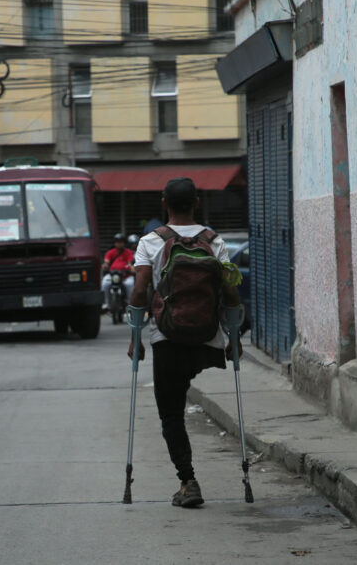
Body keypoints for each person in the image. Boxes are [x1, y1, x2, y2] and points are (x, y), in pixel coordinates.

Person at [129, 177, 242, 508]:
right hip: (207, 336)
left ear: (164, 202)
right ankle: (188, 481)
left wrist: (135, 339)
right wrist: (233, 338)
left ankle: (188, 481)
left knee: (171, 413)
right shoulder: (213, 240)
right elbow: (230, 292)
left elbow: (139, 291)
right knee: (180, 394)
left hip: (166, 336)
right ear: (196, 202)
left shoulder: (150, 241)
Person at [101, 233, 134, 309]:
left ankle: (130, 305)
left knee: (129, 284)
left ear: (124, 243)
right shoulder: (110, 252)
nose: (119, 244)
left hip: (126, 275)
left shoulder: (128, 252)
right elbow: (106, 261)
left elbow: (130, 262)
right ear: (114, 243)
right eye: (117, 242)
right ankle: (107, 303)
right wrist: (105, 265)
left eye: (121, 242)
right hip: (113, 275)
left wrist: (131, 267)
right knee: (105, 283)